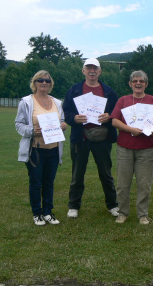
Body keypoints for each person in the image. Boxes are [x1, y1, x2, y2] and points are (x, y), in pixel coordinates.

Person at [63, 58, 119, 219]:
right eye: (89, 68)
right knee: (77, 173)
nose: (92, 71)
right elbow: (66, 112)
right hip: (80, 138)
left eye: (95, 68)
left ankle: (112, 205)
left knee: (106, 173)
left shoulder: (108, 91)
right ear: (83, 71)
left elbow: (117, 112)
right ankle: (73, 206)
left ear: (100, 71)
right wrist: (74, 118)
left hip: (102, 138)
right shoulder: (74, 90)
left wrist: (109, 116)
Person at [15, 70, 67, 226]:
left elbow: (62, 120)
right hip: (35, 149)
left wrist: (63, 125)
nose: (44, 83)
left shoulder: (57, 102)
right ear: (34, 83)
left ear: (50, 84)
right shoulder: (26, 102)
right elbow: (18, 124)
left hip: (53, 148)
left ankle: (48, 212)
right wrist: (31, 131)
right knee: (36, 182)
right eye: (40, 80)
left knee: (49, 182)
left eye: (47, 80)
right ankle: (37, 213)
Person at [110, 70, 153, 225]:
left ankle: (142, 215)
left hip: (146, 148)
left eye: (141, 81)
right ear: (130, 83)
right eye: (135, 81)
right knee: (122, 184)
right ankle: (122, 213)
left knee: (144, 184)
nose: (138, 83)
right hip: (125, 147)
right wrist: (130, 129)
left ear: (146, 84)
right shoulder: (123, 100)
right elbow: (114, 121)